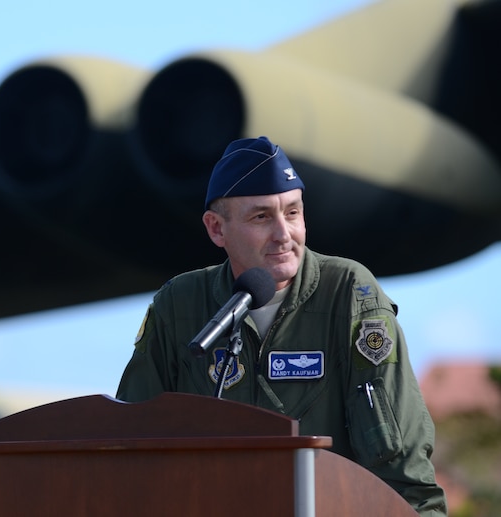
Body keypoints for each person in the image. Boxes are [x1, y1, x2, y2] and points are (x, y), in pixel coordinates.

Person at [116, 136, 447, 516]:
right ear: (216, 229)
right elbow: (129, 442)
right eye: (261, 217)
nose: (283, 234)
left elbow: (402, 466)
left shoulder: (349, 293)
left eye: (292, 213)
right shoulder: (180, 304)